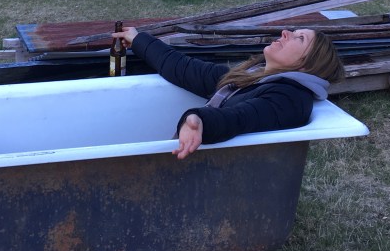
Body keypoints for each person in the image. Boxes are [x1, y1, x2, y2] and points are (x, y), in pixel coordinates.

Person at [113, 25, 344, 161]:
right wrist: (139, 39)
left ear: (306, 66)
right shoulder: (252, 77)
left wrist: (198, 119)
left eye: (299, 38)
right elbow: (187, 70)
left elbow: (239, 118)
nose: (285, 32)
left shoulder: (289, 98)